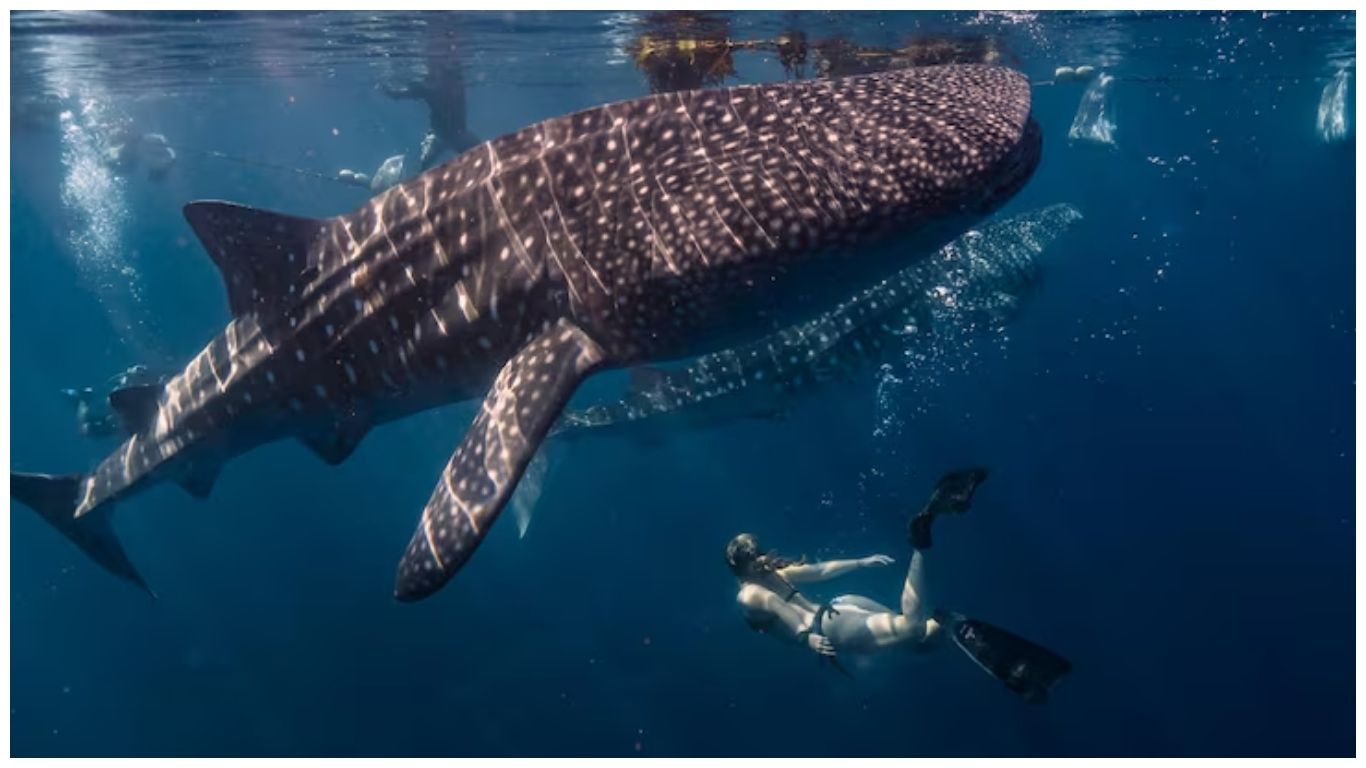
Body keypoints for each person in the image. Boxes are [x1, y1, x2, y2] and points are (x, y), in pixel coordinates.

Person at [728, 467, 1071, 702]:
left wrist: (807, 639)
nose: (761, 557)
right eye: (754, 555)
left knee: (909, 628)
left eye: (758, 553)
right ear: (742, 563)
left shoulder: (751, 593)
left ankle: (920, 541)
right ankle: (945, 620)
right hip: (842, 606)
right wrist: (859, 563)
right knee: (924, 640)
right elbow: (819, 572)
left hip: (830, 626)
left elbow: (784, 604)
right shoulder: (769, 578)